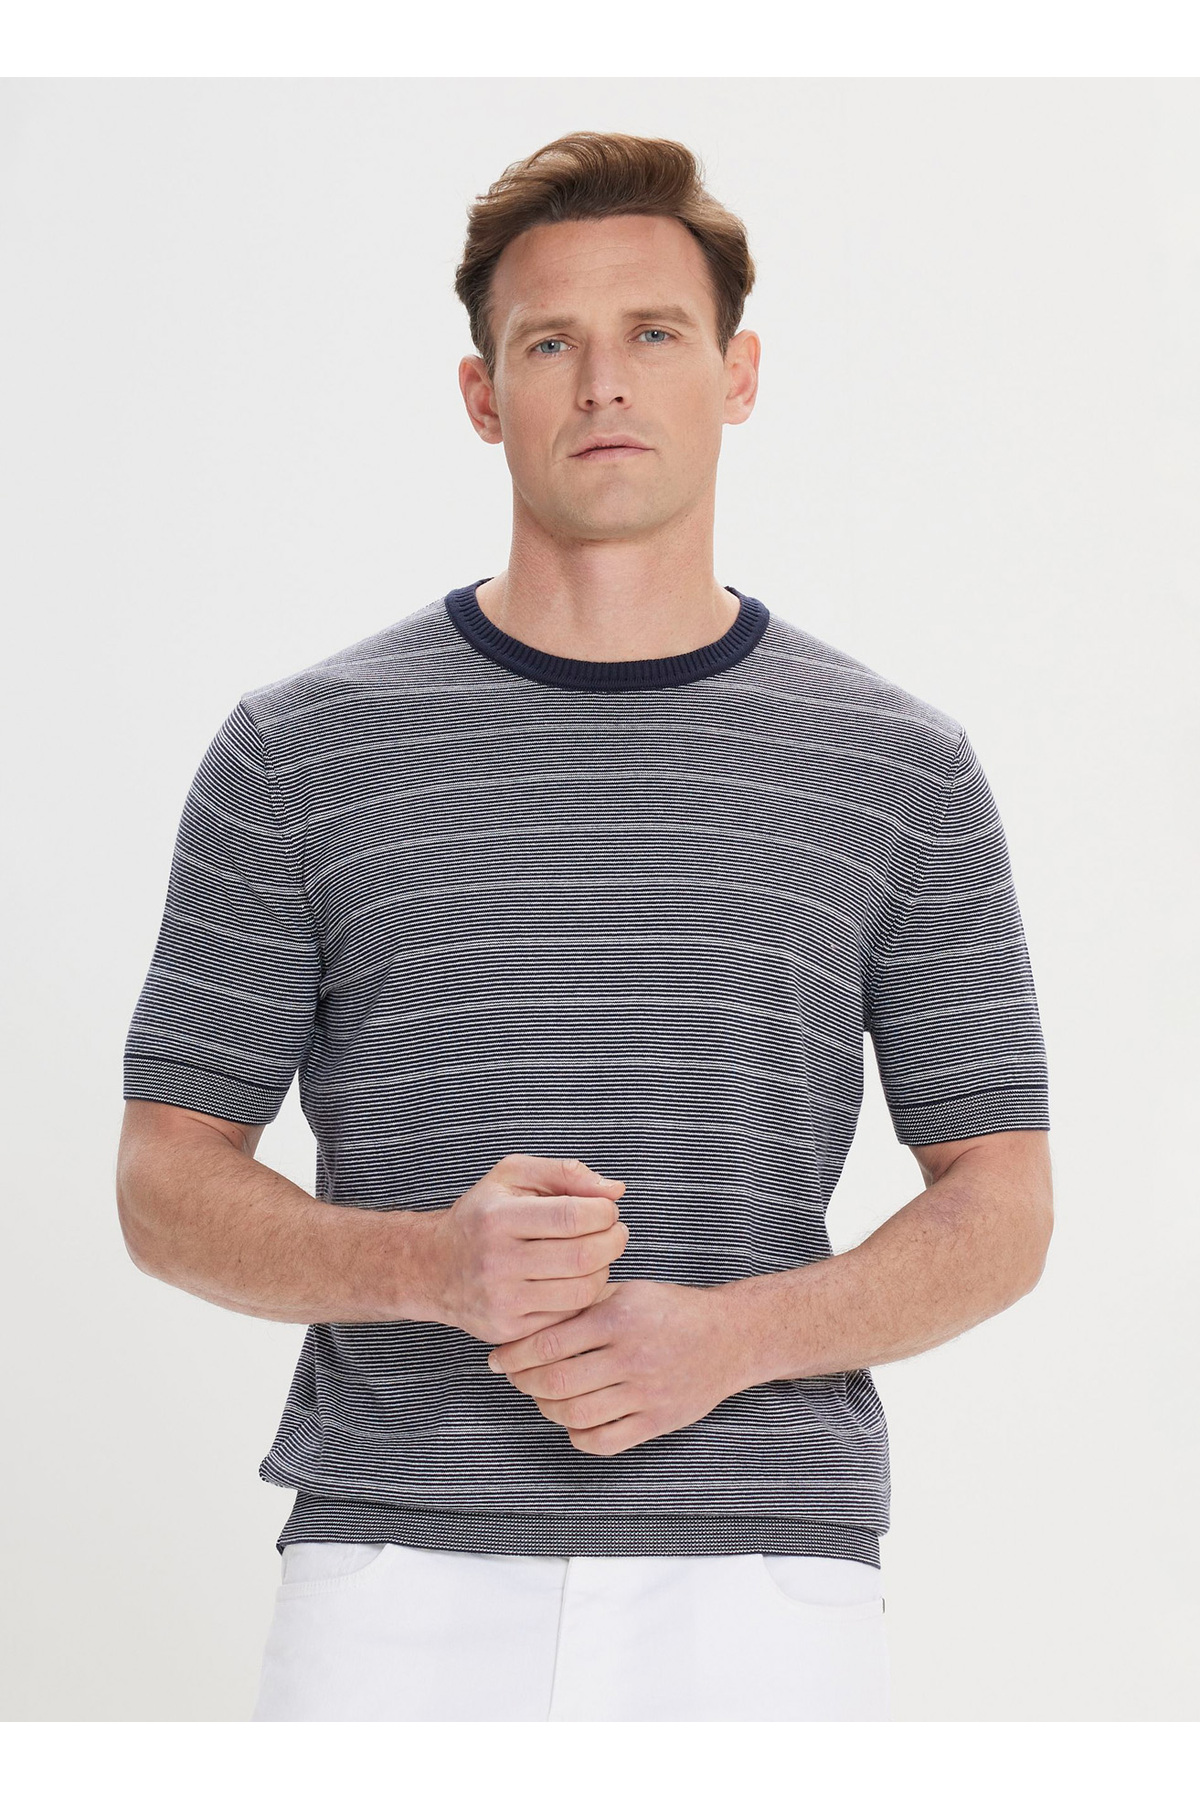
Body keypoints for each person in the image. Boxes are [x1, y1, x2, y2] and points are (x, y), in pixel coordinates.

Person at [116, 130, 1053, 1722]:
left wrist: (729, 1340)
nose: (605, 381)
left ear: (737, 375)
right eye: (550, 342)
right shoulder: (295, 753)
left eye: (654, 333)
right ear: (483, 396)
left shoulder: (902, 767)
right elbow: (163, 1183)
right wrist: (434, 1265)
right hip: (394, 1577)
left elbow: (1005, 1205)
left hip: (766, 1593)